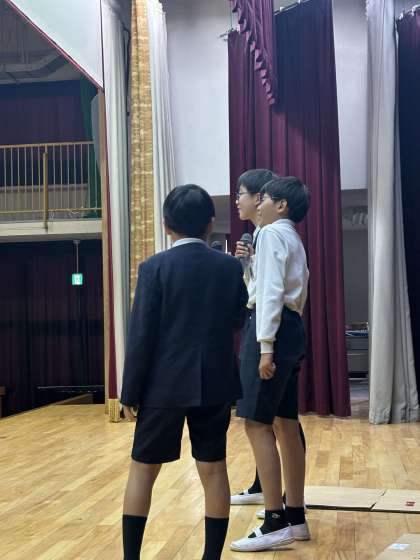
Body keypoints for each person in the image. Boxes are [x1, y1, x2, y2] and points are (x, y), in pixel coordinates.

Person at [121, 184, 249, 560]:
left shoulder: (153, 268)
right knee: (213, 469)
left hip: (162, 386)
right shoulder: (228, 266)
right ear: (210, 223)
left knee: (143, 470)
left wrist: (129, 392)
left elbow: (141, 335)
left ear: (166, 225)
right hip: (214, 381)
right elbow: (238, 317)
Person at [231, 177, 311, 552]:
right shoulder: (291, 235)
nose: (257, 204)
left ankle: (274, 520)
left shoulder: (270, 233)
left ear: (281, 206)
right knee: (286, 424)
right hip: (290, 329)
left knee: (256, 424)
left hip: (272, 332)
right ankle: (295, 516)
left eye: (263, 198)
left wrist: (265, 347)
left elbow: (270, 294)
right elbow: (274, 287)